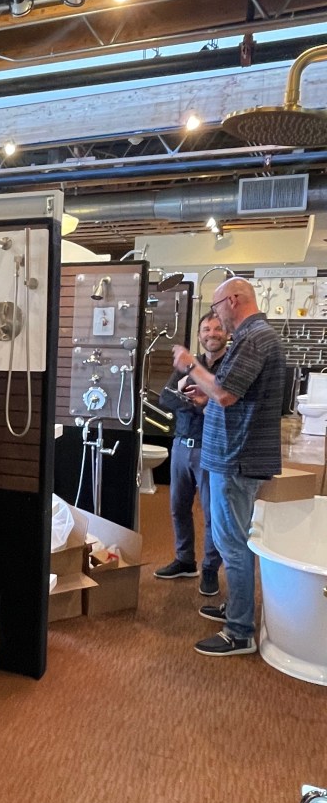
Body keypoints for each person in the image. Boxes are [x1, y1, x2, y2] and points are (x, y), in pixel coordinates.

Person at [172, 277, 285, 657]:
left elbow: (224, 393)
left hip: (235, 458)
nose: (216, 316)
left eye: (217, 306)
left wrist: (190, 365)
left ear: (234, 300)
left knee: (233, 544)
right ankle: (237, 608)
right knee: (232, 541)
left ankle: (239, 631)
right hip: (234, 455)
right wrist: (206, 394)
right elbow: (228, 395)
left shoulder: (254, 338)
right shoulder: (252, 338)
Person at [154, 312, 228, 596]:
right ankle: (185, 560)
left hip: (210, 448)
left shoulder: (229, 366)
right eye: (206, 329)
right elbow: (165, 396)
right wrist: (199, 404)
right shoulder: (190, 364)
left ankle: (209, 569)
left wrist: (206, 400)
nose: (212, 333)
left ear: (226, 333)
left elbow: (227, 401)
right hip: (181, 445)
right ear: (199, 335)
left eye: (217, 328)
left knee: (211, 513)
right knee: (178, 508)